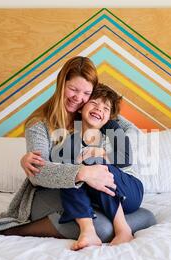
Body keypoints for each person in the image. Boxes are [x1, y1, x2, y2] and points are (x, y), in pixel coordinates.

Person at [0, 56, 155, 242]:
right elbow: (38, 175)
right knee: (102, 227)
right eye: (73, 89)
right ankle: (13, 231)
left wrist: (106, 155)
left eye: (86, 93)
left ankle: (110, 225)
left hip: (91, 189)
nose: (79, 98)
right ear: (62, 84)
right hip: (51, 191)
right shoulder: (39, 124)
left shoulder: (94, 112)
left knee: (146, 217)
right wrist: (82, 172)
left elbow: (133, 134)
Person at [53, 83, 143, 250]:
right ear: (81, 108)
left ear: (110, 117)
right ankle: (88, 232)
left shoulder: (112, 129)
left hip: (129, 191)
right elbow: (57, 166)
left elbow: (126, 158)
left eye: (106, 108)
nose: (99, 109)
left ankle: (123, 230)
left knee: (93, 163)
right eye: (94, 103)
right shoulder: (70, 138)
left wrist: (99, 153)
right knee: (70, 171)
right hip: (98, 196)